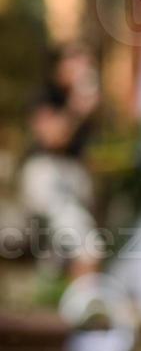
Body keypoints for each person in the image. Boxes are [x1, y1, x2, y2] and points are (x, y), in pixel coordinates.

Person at [21, 44, 102, 278]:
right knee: (86, 243)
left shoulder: (85, 104)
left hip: (74, 179)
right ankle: (86, 303)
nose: (83, 70)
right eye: (76, 62)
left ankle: (59, 296)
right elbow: (52, 138)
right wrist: (76, 108)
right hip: (46, 174)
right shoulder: (46, 96)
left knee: (58, 252)